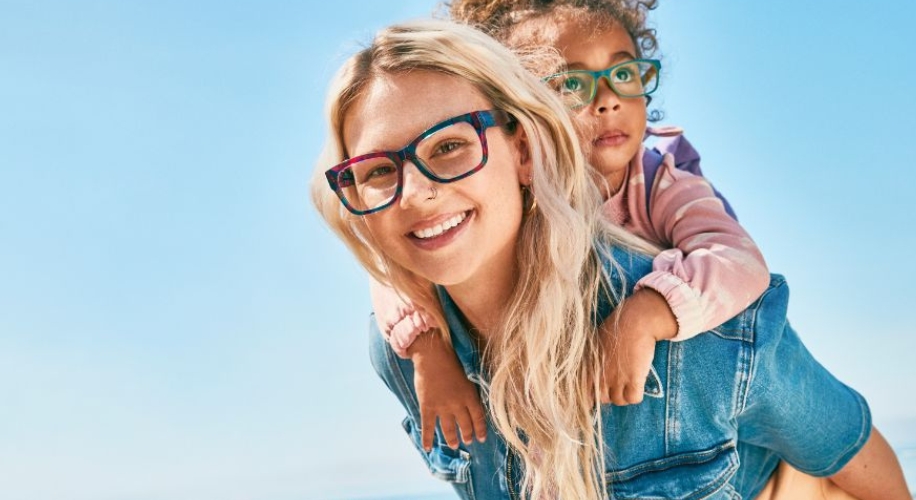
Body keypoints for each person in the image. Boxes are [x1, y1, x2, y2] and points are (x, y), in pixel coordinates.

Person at [311, 19, 910, 499]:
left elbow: (843, 443)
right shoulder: (404, 353)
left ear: (526, 148)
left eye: (449, 147)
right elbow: (388, 274)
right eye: (378, 172)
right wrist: (425, 348)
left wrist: (647, 313)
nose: (415, 193)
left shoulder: (693, 312)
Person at [371, 0, 769, 451]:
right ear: (517, 110)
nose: (607, 101)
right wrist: (428, 351)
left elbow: (738, 260)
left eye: (623, 74)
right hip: (533, 396)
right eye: (571, 84)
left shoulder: (660, 182)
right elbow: (393, 264)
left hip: (661, 404)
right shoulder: (506, 193)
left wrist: (646, 315)